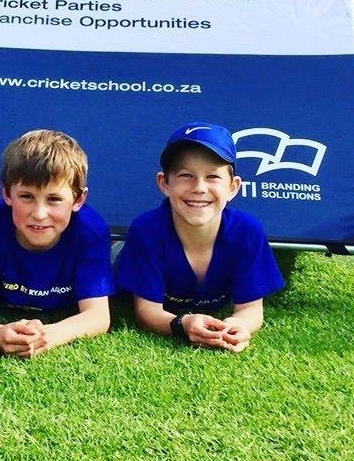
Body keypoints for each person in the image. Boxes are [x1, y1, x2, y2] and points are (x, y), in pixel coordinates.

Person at [116, 122, 285, 352]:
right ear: (164, 183)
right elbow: (147, 311)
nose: (199, 187)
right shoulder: (147, 229)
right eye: (186, 175)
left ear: (233, 187)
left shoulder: (247, 231)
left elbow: (251, 309)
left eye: (213, 176)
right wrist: (182, 324)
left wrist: (237, 326)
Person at [0, 130, 113, 358]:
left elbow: (98, 316)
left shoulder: (91, 232)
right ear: (7, 194)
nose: (39, 214)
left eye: (54, 199)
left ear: (79, 199)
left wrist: (50, 335)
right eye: (27, 197)